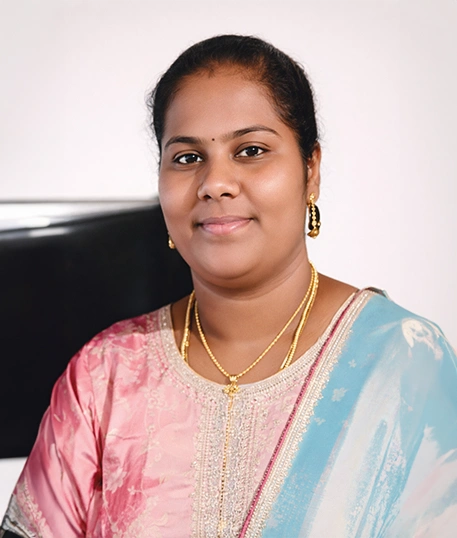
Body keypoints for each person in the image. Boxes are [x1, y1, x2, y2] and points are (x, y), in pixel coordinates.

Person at [1, 34, 457, 538]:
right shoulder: (106, 375)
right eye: (187, 158)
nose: (215, 183)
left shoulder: (400, 361)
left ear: (310, 170)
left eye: (251, 150)